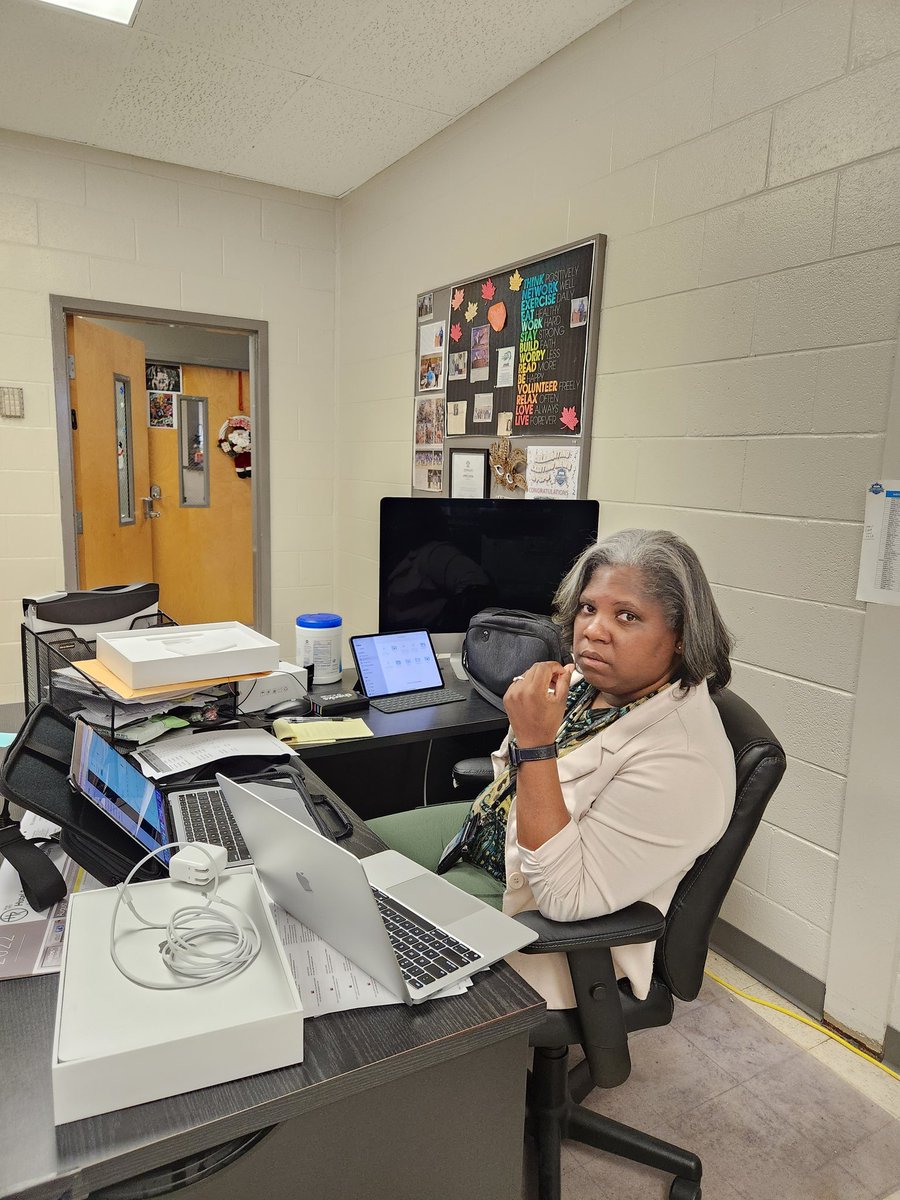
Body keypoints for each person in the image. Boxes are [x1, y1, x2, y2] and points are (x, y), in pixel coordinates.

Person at [368, 528, 736, 1009]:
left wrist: (536, 743)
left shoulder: (685, 763)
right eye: (588, 608)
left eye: (627, 616)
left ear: (682, 637)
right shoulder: (591, 683)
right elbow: (507, 773)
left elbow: (566, 898)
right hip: (491, 833)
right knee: (349, 847)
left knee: (380, 942)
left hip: (534, 908)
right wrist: (525, 731)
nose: (594, 631)